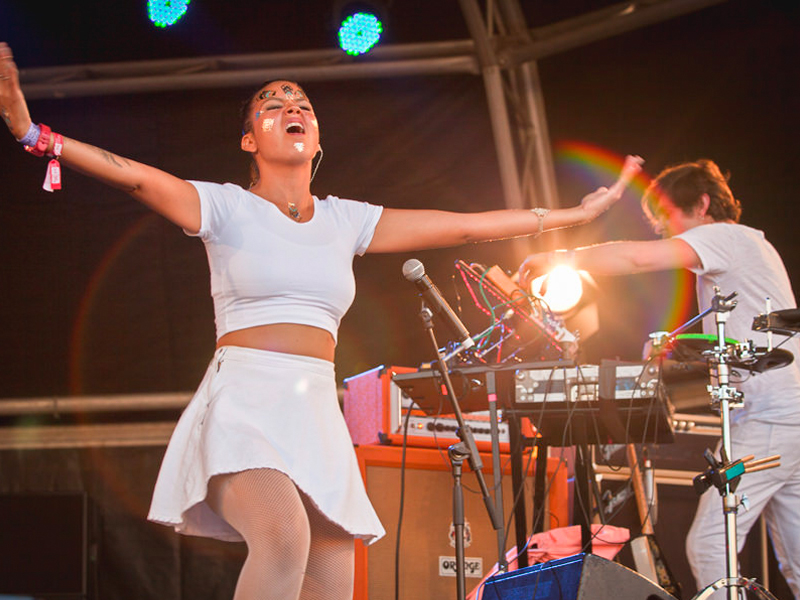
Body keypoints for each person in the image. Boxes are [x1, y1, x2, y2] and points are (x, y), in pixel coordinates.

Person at [0, 41, 643, 600]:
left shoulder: (345, 220)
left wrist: (570, 216)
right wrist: (36, 135)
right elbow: (136, 178)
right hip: (245, 399)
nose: (293, 108)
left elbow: (465, 225)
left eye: (302, 102)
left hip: (314, 409)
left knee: (332, 570)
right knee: (284, 540)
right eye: (273, 104)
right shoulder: (223, 207)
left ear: (317, 137)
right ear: (250, 139)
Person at [519, 158, 800, 598]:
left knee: (711, 546)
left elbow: (635, 257)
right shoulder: (751, 248)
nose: (667, 233)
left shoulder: (724, 236)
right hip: (788, 414)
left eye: (668, 218)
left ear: (703, 203)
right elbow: (743, 342)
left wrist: (562, 256)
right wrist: (681, 348)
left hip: (771, 416)